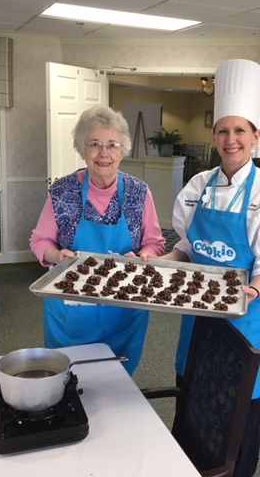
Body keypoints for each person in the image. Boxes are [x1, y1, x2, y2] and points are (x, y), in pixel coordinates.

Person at [158, 59, 260, 477]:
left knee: (237, 426)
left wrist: (249, 291)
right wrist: (158, 263)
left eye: (240, 131)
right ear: (214, 135)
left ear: (255, 136)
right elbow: (186, 246)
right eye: (222, 130)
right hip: (198, 320)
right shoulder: (197, 187)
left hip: (242, 324)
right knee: (192, 408)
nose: (230, 139)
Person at [30, 105, 166, 375]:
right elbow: (40, 241)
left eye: (112, 145)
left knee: (117, 381)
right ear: (82, 150)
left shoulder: (140, 193)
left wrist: (143, 257)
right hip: (72, 310)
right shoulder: (62, 191)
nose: (104, 153)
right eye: (94, 144)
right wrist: (56, 256)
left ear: (123, 150)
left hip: (124, 306)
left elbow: (155, 243)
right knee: (70, 379)